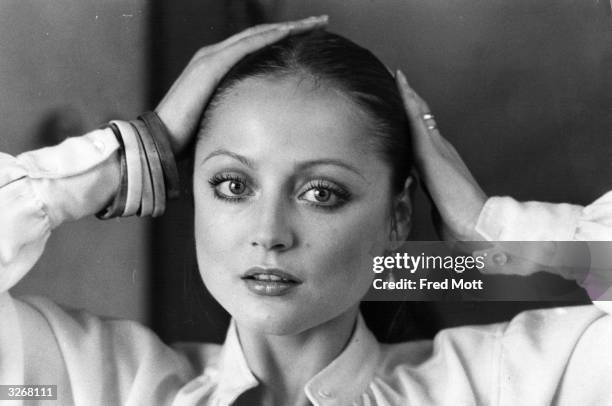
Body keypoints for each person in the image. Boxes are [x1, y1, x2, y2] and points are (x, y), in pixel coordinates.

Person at [1, 16, 611, 406]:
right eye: (233, 185)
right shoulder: (88, 387)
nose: (269, 234)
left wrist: (489, 235)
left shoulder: (501, 387)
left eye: (322, 193)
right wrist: (137, 149)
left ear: (398, 218)